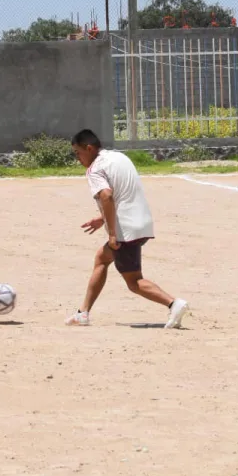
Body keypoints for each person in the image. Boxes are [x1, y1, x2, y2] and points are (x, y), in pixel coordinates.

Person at [65, 129, 188, 329]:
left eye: (77, 153)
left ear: (89, 148)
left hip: (125, 230)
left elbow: (106, 195)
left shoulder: (94, 169)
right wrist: (101, 219)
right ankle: (83, 313)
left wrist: (112, 233)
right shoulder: (118, 157)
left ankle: (174, 303)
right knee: (102, 258)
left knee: (134, 282)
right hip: (142, 222)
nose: (77, 158)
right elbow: (123, 193)